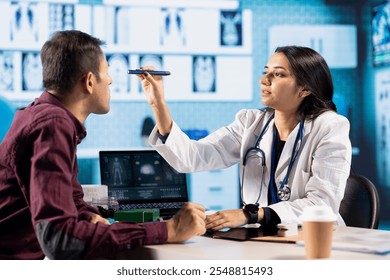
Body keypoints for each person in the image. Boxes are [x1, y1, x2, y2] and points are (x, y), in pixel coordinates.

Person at [0, 30, 206, 260]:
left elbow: (69, 198)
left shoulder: (40, 114)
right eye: (106, 73)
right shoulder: (54, 124)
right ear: (89, 81)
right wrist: (170, 229)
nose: (110, 80)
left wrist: (89, 216)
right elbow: (60, 238)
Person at [138, 45, 352, 231]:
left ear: (305, 88)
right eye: (265, 72)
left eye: (278, 74)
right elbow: (191, 158)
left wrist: (250, 214)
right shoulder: (251, 123)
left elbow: (322, 205)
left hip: (315, 239)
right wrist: (158, 103)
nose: (264, 80)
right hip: (262, 238)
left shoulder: (330, 127)